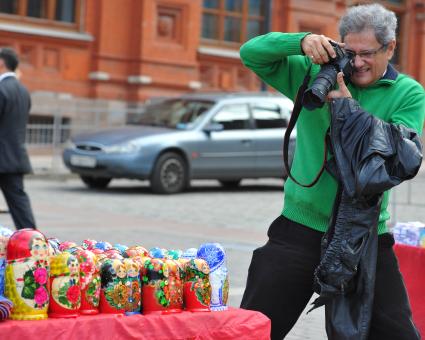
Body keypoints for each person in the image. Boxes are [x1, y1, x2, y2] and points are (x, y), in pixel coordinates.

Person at [239, 3, 425, 340]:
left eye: (367, 53)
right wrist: (301, 41)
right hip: (300, 225)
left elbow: (398, 158)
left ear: (391, 47)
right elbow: (251, 53)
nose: (356, 63)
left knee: (398, 334)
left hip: (364, 236)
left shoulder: (408, 93)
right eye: (348, 51)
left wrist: (346, 111)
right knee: (254, 330)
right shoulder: (315, 75)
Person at [0, 47, 36, 230]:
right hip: (15, 156)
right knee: (20, 205)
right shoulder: (23, 90)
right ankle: (33, 244)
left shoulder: (1, 88)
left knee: (18, 201)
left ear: (1, 63)